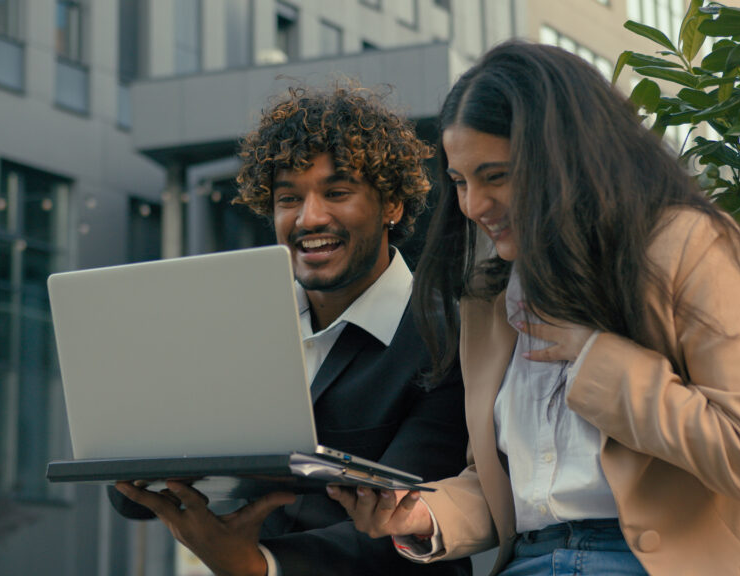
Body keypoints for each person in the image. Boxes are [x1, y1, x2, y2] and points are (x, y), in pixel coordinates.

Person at [330, 41, 740, 576]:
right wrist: (423, 513)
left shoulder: (683, 246)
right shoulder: (490, 301)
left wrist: (594, 360)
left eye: (495, 177)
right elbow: (508, 484)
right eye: (460, 182)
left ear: (565, 156)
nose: (472, 206)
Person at [111, 84, 471, 576]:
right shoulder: (238, 326)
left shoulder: (448, 335)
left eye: (337, 192)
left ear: (392, 205)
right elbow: (133, 501)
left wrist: (261, 565)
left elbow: (408, 522)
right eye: (288, 198)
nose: (310, 218)